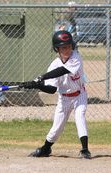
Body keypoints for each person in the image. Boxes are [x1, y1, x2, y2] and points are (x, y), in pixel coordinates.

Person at [23, 30, 91, 159]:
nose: (67, 50)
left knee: (80, 117)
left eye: (69, 46)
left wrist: (41, 77)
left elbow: (62, 71)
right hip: (64, 98)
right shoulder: (54, 64)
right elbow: (52, 89)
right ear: (57, 49)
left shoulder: (76, 57)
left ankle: (85, 150)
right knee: (56, 127)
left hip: (79, 95)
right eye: (63, 47)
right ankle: (46, 148)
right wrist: (37, 85)